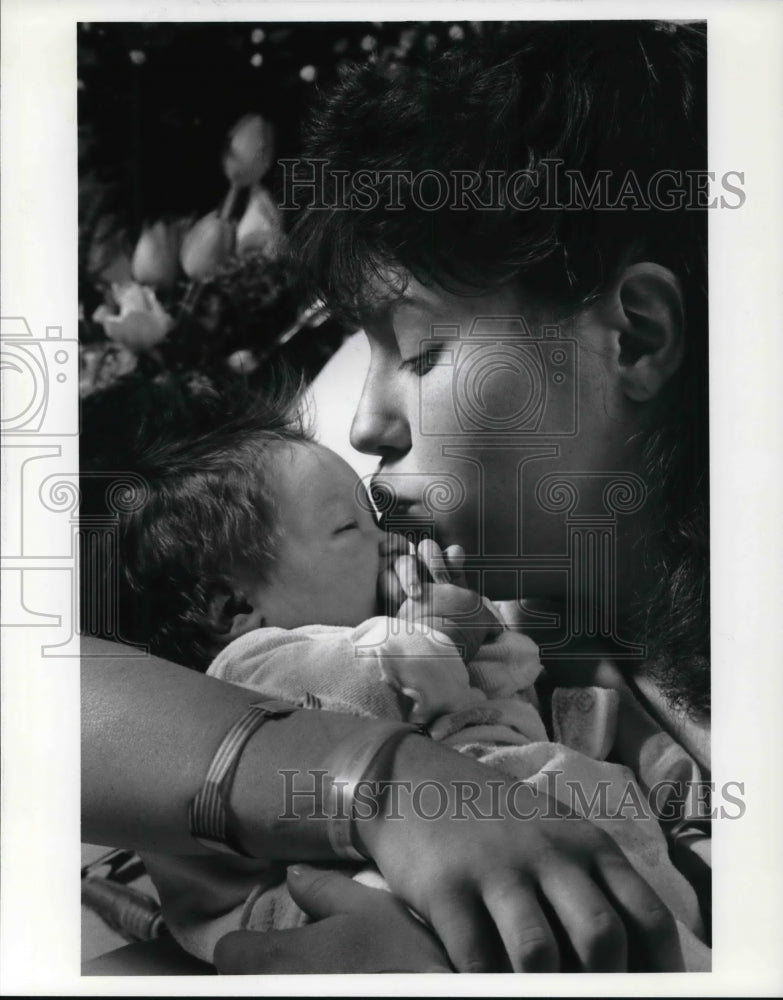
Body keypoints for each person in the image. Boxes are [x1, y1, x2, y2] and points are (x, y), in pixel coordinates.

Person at [81, 19, 709, 973]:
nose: (366, 425)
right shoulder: (525, 603)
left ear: (633, 338)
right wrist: (380, 780)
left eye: (416, 352)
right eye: (363, 353)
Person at [80, 375, 707, 968]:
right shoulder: (252, 669)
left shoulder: (369, 634)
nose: (391, 542)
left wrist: (482, 632)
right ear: (235, 606)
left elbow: (500, 689)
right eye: (350, 527)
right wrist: (442, 626)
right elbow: (378, 684)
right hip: (385, 899)